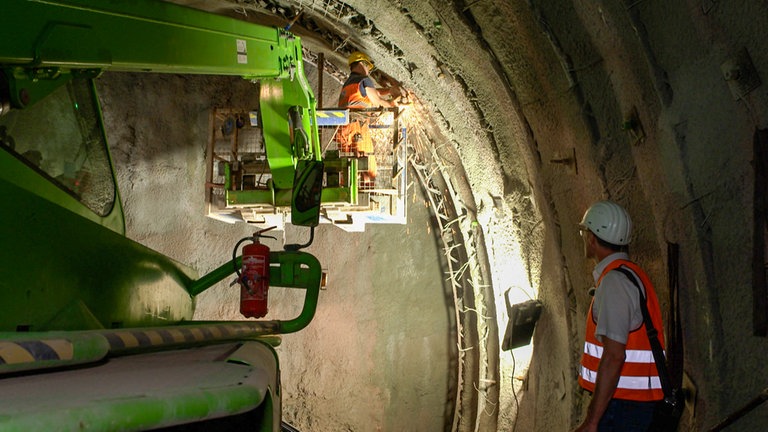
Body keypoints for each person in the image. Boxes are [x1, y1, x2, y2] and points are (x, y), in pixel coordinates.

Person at [573, 200, 665, 432]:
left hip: (622, 408)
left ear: (592, 239)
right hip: (631, 404)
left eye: (585, 233)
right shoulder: (631, 275)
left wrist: (592, 421)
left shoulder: (614, 282)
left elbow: (614, 355)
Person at [334, 51, 398, 171]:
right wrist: (393, 105)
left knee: (346, 168)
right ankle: (366, 189)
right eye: (367, 66)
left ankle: (345, 189)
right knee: (368, 168)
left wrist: (389, 90)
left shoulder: (350, 83)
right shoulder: (364, 79)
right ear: (361, 64)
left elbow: (374, 92)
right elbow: (377, 100)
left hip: (343, 130)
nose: (368, 70)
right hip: (357, 130)